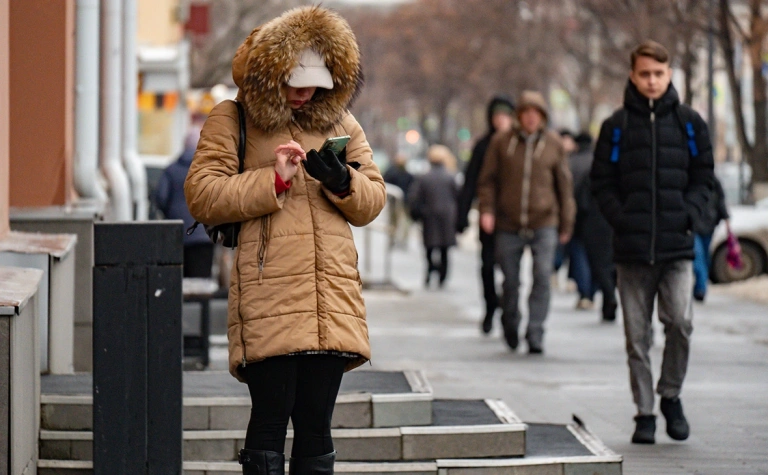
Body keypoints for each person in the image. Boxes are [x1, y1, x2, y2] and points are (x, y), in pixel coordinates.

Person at [184, 7, 386, 474]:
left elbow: (373, 199)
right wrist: (271, 181)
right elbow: (202, 194)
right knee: (270, 419)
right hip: (269, 292)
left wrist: (342, 181)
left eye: (313, 82)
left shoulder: (342, 123)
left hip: (330, 296)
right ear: (269, 75)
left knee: (317, 424)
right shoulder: (232, 118)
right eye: (294, 82)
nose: (304, 92)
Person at [591, 40, 714, 445]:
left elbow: (703, 178)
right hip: (631, 250)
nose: (651, 81)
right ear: (632, 75)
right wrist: (621, 219)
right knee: (637, 336)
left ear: (669, 75)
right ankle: (644, 413)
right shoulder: (616, 127)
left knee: (681, 323)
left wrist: (690, 217)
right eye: (644, 73)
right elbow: (602, 183)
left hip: (677, 247)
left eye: (658, 74)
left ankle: (671, 395)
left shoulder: (690, 123)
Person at [477, 90, 575, 354]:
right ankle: (510, 321)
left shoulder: (554, 144)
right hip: (508, 223)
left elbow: (564, 186)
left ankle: (535, 331)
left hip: (545, 221)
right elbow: (487, 180)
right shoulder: (502, 142)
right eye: (526, 113)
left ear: (543, 117)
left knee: (542, 275)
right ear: (519, 115)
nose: (531, 118)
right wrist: (486, 210)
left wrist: (567, 223)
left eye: (537, 113)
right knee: (510, 280)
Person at [456, 96, 515, 333]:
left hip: (513, 217)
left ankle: (509, 310)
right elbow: (471, 181)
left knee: (511, 269)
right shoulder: (483, 145)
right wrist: (462, 215)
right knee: (488, 265)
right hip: (489, 216)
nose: (501, 120)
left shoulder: (519, 144)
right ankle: (491, 306)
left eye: (505, 115)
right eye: (497, 116)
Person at [154, 125, 214, 278]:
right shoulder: (210, 170)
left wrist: (171, 215)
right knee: (202, 283)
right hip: (204, 235)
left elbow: (160, 198)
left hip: (177, 234)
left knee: (178, 281)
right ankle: (202, 303)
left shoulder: (171, 170)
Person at [572, 133, 618, 322]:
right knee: (609, 262)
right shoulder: (620, 169)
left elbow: (582, 200)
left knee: (598, 263)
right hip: (613, 222)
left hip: (594, 221)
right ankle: (606, 294)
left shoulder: (593, 170)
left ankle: (606, 295)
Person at [409, 145, 459, 288]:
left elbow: (415, 198)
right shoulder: (451, 177)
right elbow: (458, 196)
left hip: (429, 216)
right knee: (445, 249)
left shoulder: (424, 177)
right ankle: (442, 276)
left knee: (430, 248)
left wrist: (417, 214)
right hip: (447, 217)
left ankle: (430, 271)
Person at [692, 176, 730, 302]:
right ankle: (701, 289)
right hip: (694, 225)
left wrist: (726, 219)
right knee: (698, 257)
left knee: (705, 258)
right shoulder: (691, 179)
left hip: (709, 225)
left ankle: (700, 287)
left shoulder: (714, 181)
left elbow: (721, 201)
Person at [383, 153, 415, 247]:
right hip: (402, 201)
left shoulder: (391, 173)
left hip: (397, 201)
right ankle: (400, 239)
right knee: (402, 221)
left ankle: (394, 238)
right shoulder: (408, 175)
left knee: (395, 220)